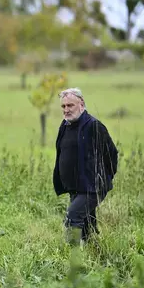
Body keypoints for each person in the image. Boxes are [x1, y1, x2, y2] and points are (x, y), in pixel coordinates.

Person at [53, 88, 118, 245]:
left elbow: (111, 154)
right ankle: (94, 253)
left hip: (92, 186)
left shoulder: (94, 126)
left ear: (81, 104)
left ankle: (73, 256)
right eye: (63, 106)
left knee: (73, 217)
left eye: (70, 105)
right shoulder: (65, 126)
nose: (66, 110)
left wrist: (102, 178)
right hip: (76, 186)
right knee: (87, 224)